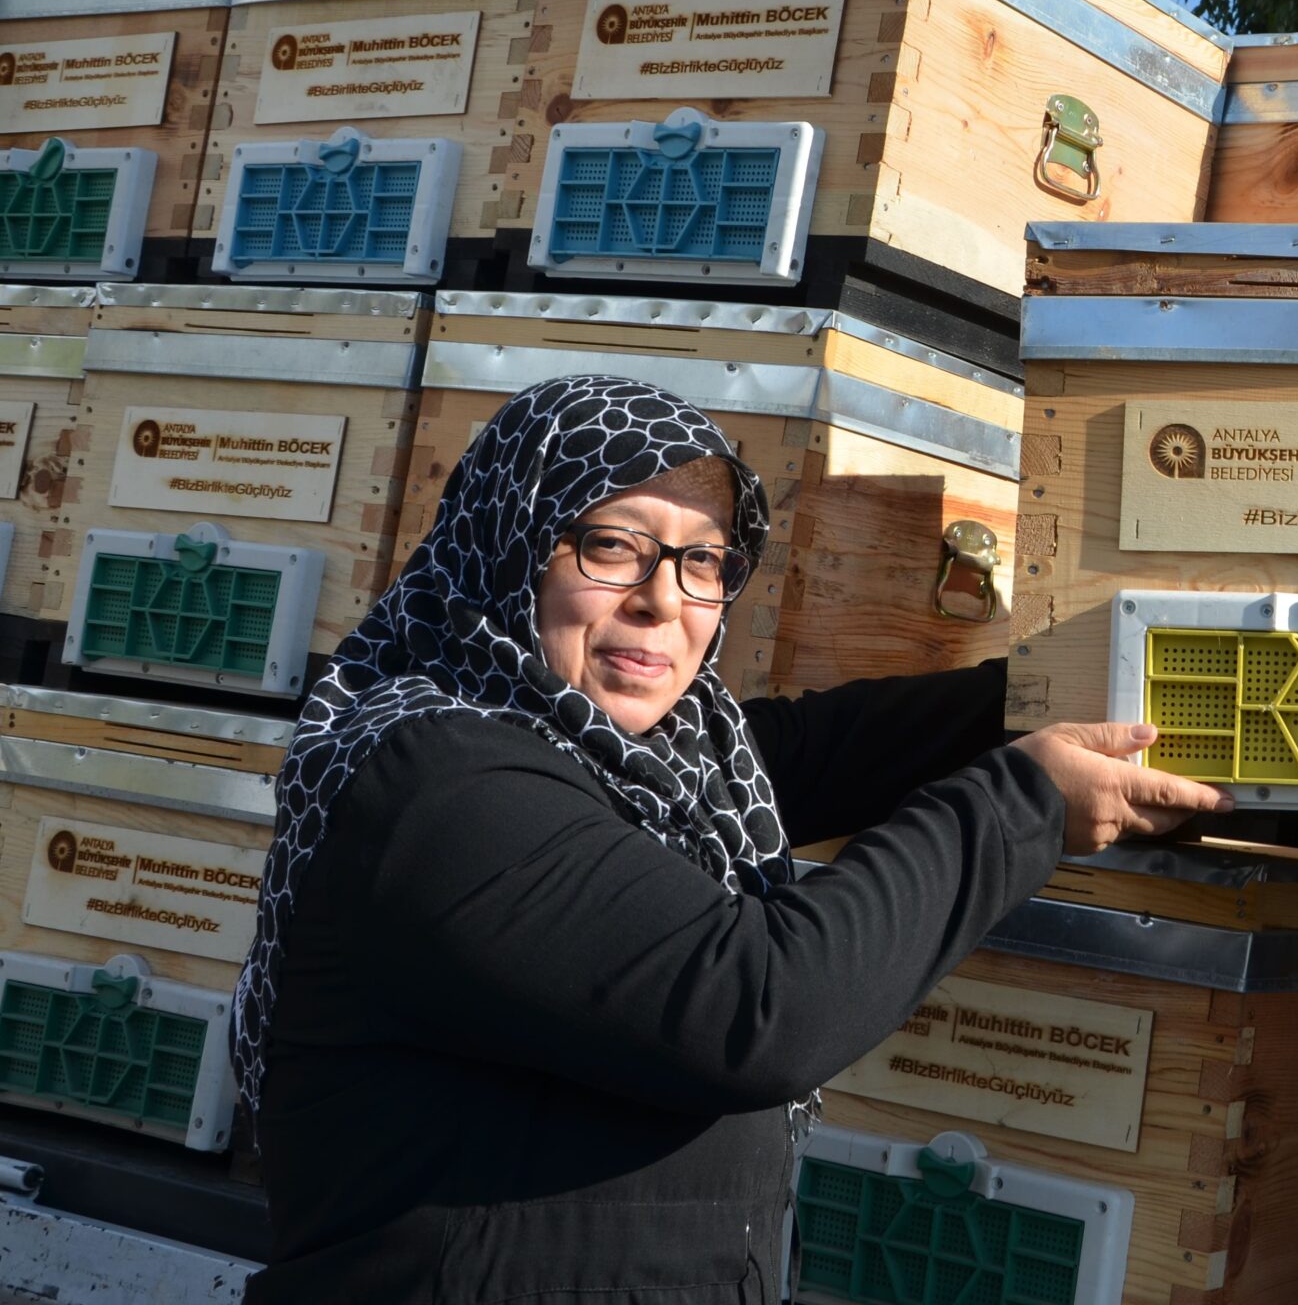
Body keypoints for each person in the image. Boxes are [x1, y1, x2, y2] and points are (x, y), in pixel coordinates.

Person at [232, 376, 1227, 1303]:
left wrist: (1088, 679)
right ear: (507, 544)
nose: (663, 598)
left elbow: (825, 746)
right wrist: (1022, 806)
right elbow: (760, 1008)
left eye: (701, 559)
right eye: (610, 546)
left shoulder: (658, 759)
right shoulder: (436, 785)